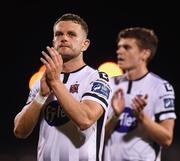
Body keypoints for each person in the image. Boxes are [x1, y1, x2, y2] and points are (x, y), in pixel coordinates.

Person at [13, 13, 111, 161]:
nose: (64, 38)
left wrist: (55, 83)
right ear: (53, 41)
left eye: (71, 34)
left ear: (85, 44)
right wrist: (41, 96)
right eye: (59, 34)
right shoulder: (41, 80)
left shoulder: (97, 78)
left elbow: (85, 119)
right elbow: (20, 131)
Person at [103, 27, 176, 161]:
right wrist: (115, 116)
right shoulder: (110, 84)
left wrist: (141, 117)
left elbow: (167, 139)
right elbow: (99, 137)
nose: (119, 51)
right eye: (119, 47)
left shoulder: (160, 87)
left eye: (127, 47)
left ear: (145, 54)